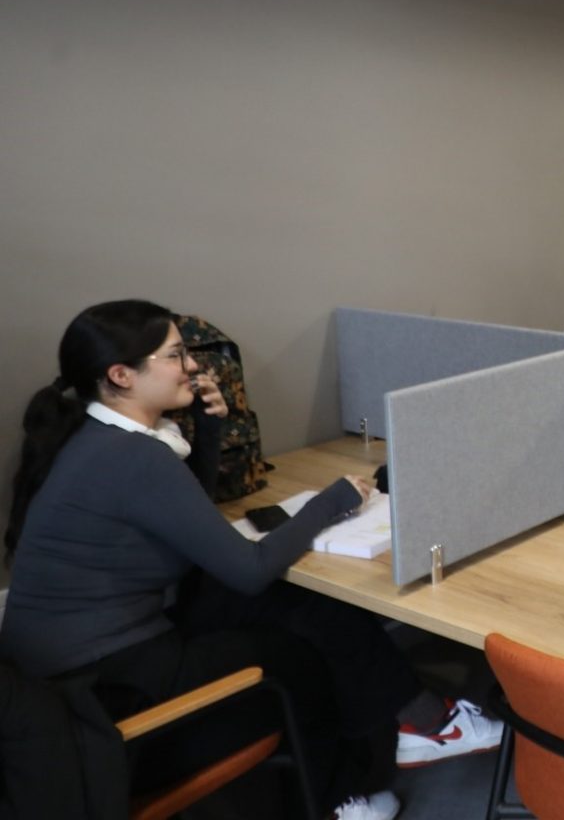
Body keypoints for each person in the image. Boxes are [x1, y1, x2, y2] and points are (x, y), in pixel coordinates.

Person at [0, 301, 500, 820]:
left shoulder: (100, 436)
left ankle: (417, 724)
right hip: (107, 685)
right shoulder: (132, 456)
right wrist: (331, 502)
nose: (192, 365)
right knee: (298, 654)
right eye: (175, 355)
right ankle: (339, 797)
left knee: (302, 604)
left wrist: (208, 429)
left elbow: (186, 515)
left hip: (108, 646)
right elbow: (249, 568)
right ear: (121, 375)